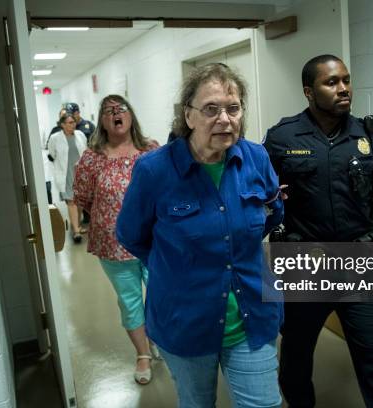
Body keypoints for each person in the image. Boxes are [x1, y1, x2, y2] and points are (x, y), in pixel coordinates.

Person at [117, 63, 284, 407]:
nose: (224, 118)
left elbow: (271, 212)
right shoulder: (154, 170)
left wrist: (233, 247)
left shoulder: (256, 157)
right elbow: (131, 235)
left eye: (233, 108)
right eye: (211, 109)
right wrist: (175, 264)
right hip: (185, 322)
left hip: (252, 317)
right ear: (188, 116)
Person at [263, 54, 373, 408]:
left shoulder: (365, 134)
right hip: (305, 265)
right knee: (295, 358)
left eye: (346, 80)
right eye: (331, 82)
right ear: (309, 91)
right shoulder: (281, 137)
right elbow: (260, 194)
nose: (343, 89)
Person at [73, 95, 160, 385]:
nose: (116, 113)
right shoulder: (92, 158)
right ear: (101, 121)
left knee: (162, 292)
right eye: (108, 111)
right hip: (113, 245)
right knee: (130, 300)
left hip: (155, 241)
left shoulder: (151, 150)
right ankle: (143, 354)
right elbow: (83, 198)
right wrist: (111, 217)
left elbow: (167, 188)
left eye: (121, 108)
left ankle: (160, 336)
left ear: (131, 115)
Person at [48, 113, 87, 243]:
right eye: (69, 122)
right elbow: (51, 154)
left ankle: (77, 224)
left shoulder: (80, 135)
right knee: (71, 201)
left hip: (80, 173)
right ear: (62, 125)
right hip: (65, 173)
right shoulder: (55, 138)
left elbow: (85, 152)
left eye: (73, 122)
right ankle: (76, 231)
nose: (72, 125)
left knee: (80, 201)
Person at [65, 102, 95, 225]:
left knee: (90, 190)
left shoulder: (88, 125)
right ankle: (79, 219)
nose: (72, 117)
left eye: (74, 114)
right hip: (73, 165)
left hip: (89, 162)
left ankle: (90, 216)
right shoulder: (68, 128)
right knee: (76, 192)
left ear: (78, 113)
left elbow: (97, 140)